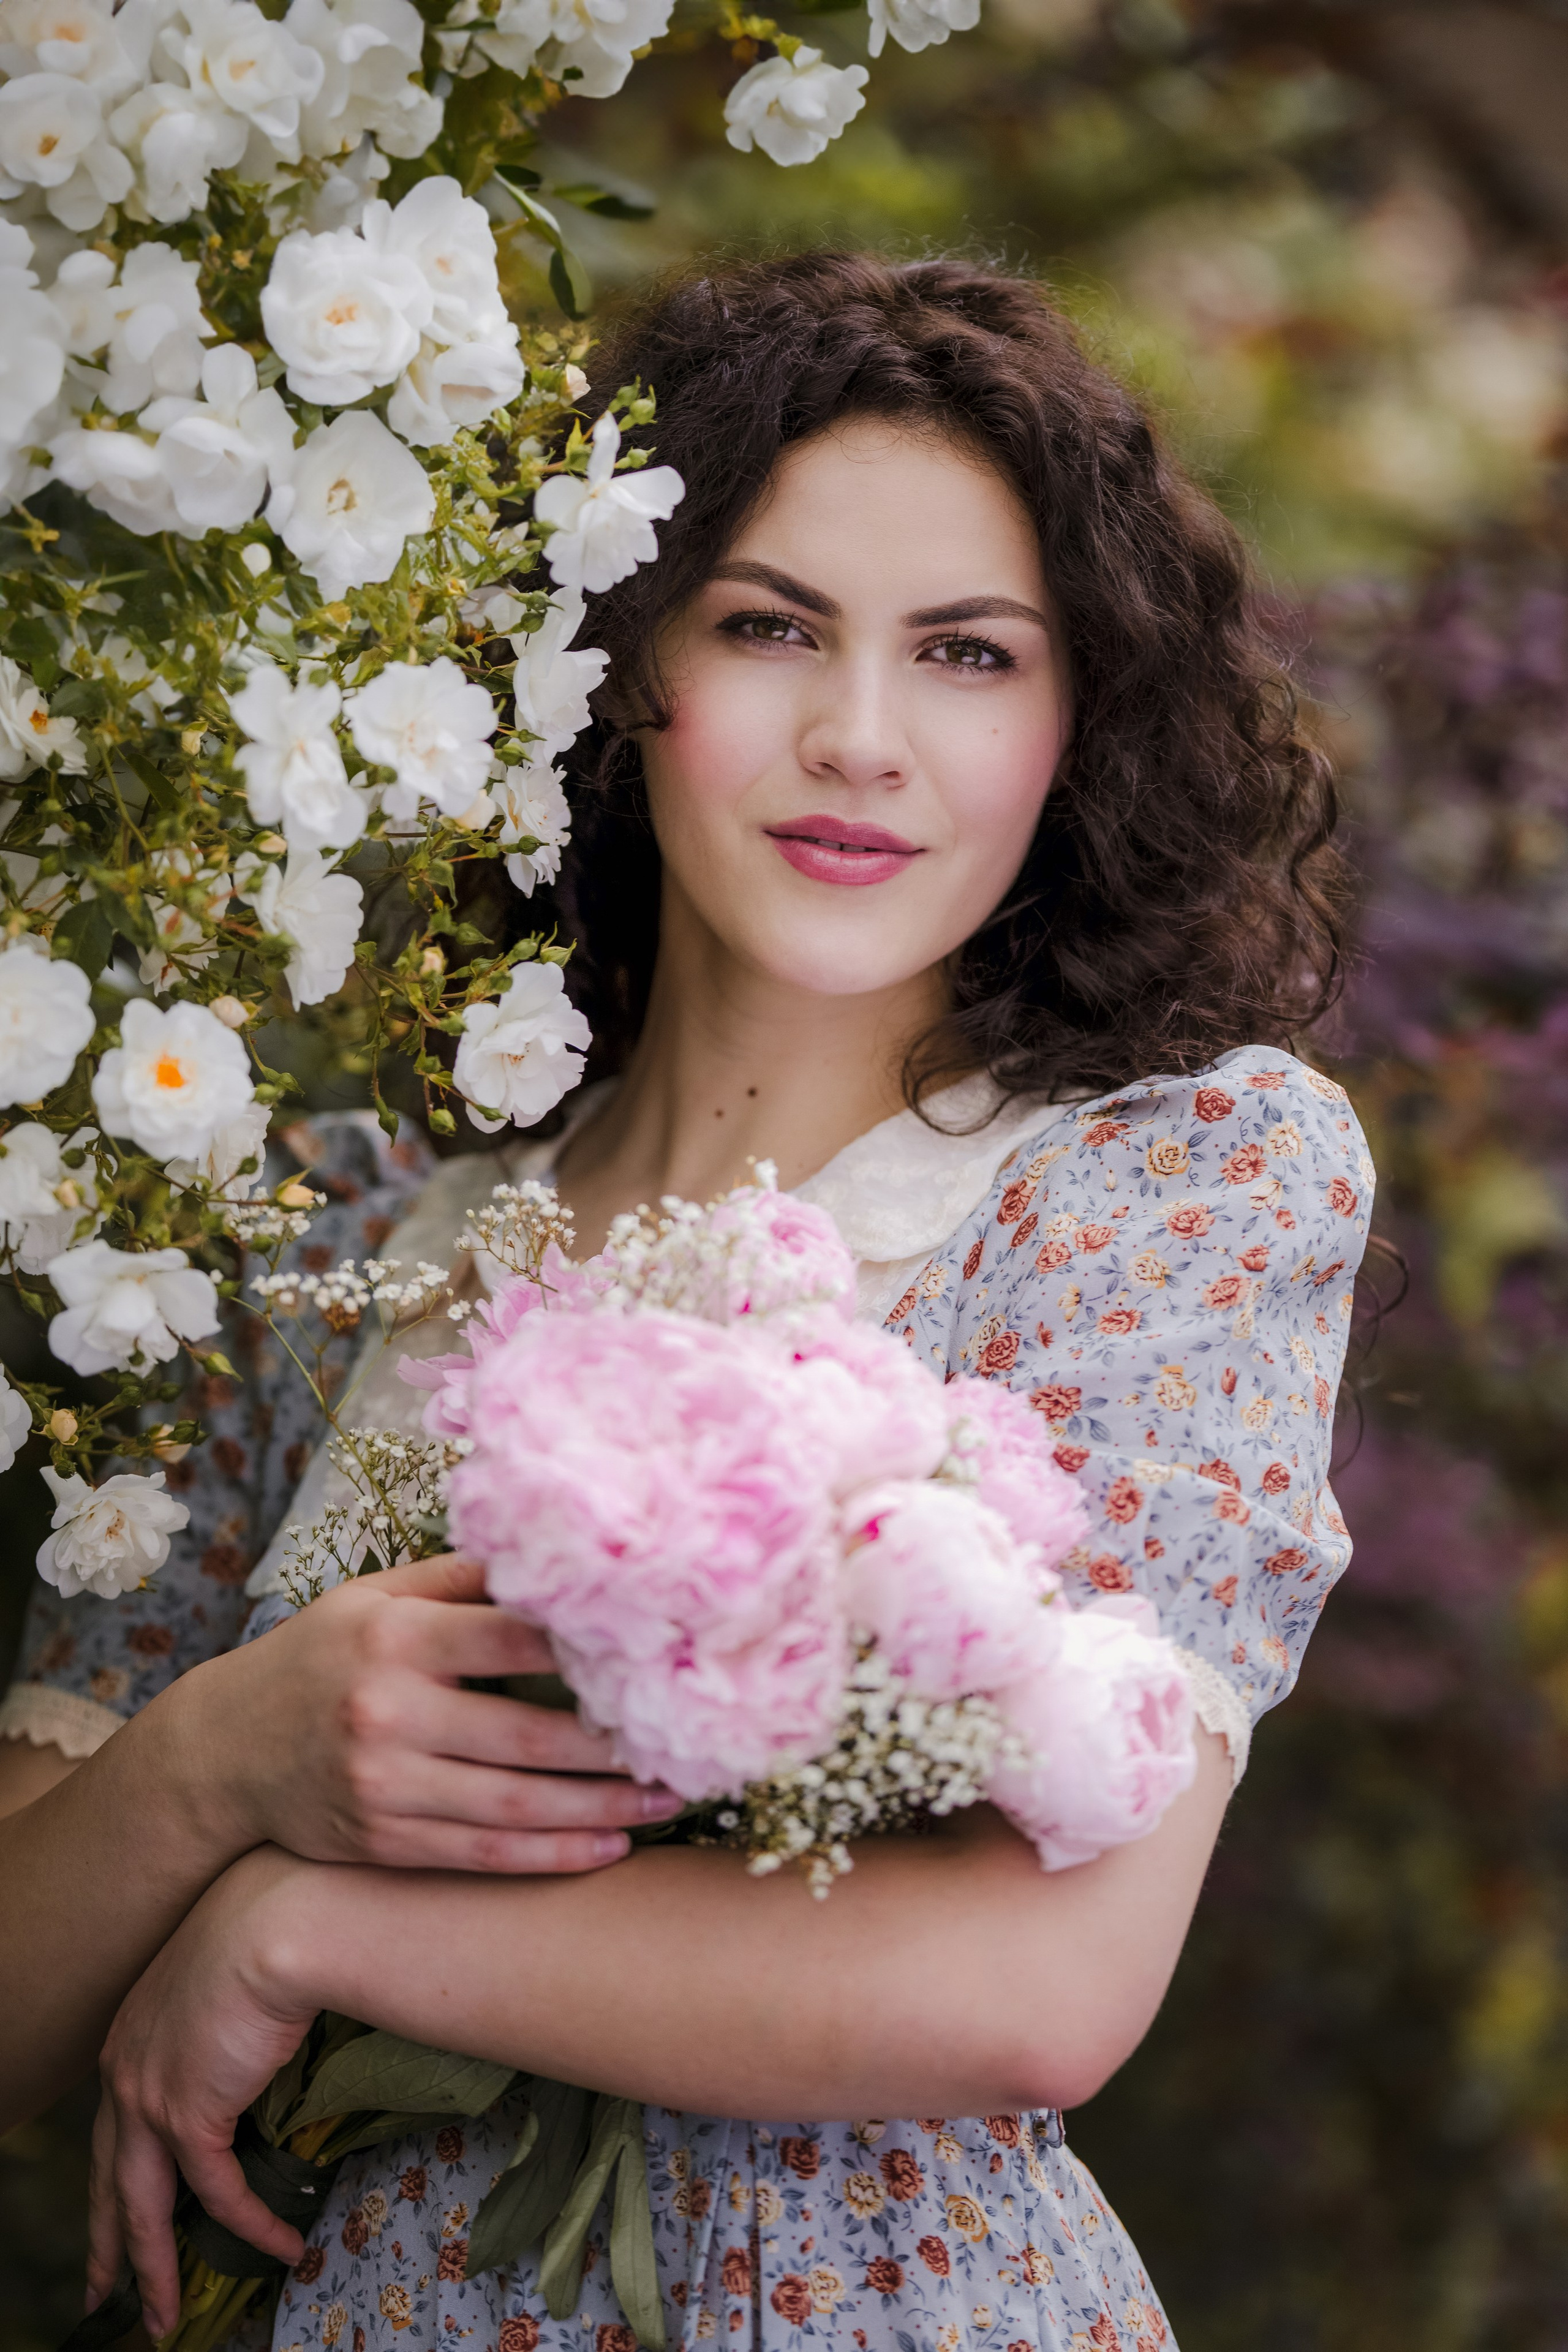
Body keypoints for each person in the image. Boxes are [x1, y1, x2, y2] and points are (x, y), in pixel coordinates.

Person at [0, 251, 1373, 2351]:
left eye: (971, 656)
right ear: (619, 668)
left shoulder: (1163, 1185)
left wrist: (305, 1926)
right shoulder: (332, 1235)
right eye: (767, 626)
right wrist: (222, 1765)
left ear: (1079, 717)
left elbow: (1033, 1994)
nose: (860, 739)